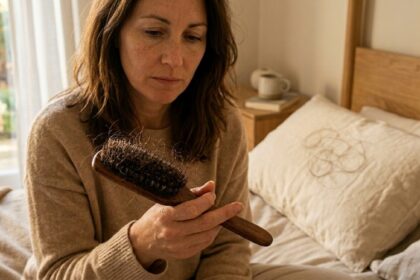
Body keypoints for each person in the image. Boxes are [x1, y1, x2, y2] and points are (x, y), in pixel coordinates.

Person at [24, 0, 354, 279]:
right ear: (111, 35)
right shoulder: (57, 131)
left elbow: (229, 247)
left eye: (193, 36)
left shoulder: (222, 122)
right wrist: (141, 244)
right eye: (154, 32)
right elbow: (58, 272)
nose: (175, 60)